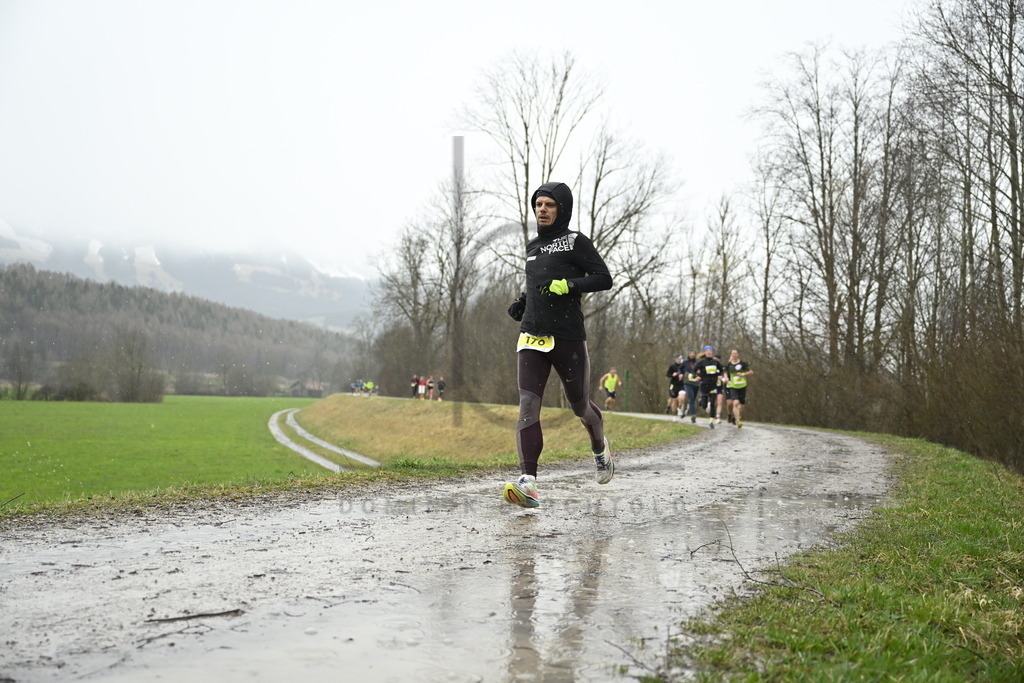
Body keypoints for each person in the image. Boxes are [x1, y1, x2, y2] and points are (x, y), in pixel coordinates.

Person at [502, 181, 614, 509]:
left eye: (549, 205)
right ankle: (528, 482)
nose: (542, 210)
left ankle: (599, 447)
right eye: (538, 204)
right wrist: (523, 302)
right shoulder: (533, 246)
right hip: (532, 335)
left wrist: (570, 285)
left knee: (579, 406)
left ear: (561, 208)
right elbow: (538, 282)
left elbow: (603, 278)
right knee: (527, 405)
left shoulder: (575, 241)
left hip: (567, 337)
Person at [694, 345, 723, 429]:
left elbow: (721, 370)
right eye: (707, 351)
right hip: (704, 384)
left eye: (710, 351)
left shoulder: (716, 362)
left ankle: (711, 422)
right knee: (704, 405)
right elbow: (694, 370)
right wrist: (697, 376)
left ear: (712, 352)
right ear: (705, 352)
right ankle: (701, 400)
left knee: (713, 402)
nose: (709, 352)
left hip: (713, 385)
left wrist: (720, 375)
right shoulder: (701, 362)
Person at [724, 349, 753, 427]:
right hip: (733, 386)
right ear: (731, 355)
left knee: (742, 405)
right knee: (735, 403)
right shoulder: (729, 364)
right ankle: (738, 420)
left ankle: (736, 416)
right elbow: (725, 372)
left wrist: (743, 374)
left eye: (736, 354)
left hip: (742, 386)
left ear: (738, 355)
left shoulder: (743, 363)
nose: (734, 355)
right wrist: (726, 378)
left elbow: (751, 372)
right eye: (733, 354)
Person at [680, 350, 700, 423]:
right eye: (691, 353)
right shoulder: (685, 362)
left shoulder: (698, 362)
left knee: (693, 399)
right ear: (688, 354)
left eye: (693, 353)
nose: (692, 355)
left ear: (695, 355)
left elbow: (702, 369)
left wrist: (699, 372)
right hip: (687, 382)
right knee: (691, 397)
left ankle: (687, 410)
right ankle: (693, 415)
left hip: (695, 383)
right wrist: (680, 374)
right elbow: (680, 369)